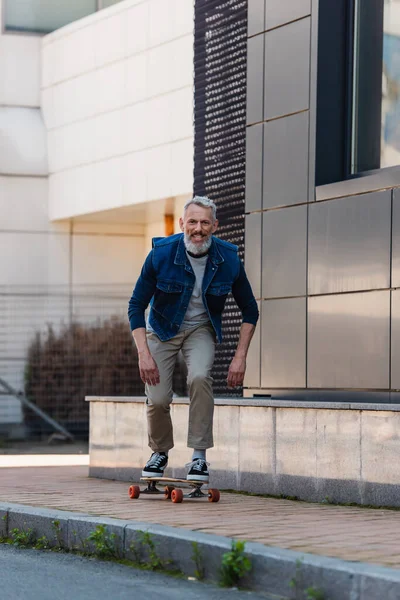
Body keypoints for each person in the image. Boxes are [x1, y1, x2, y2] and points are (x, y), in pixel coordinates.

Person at [128, 195, 259, 482]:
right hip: (162, 329)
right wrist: (143, 354)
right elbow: (136, 305)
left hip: (201, 328)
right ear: (181, 224)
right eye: (192, 222)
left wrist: (240, 357)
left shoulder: (228, 259)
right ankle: (159, 451)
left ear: (215, 225)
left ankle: (199, 458)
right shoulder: (160, 255)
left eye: (204, 222)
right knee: (158, 396)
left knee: (200, 377)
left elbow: (250, 309)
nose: (197, 229)